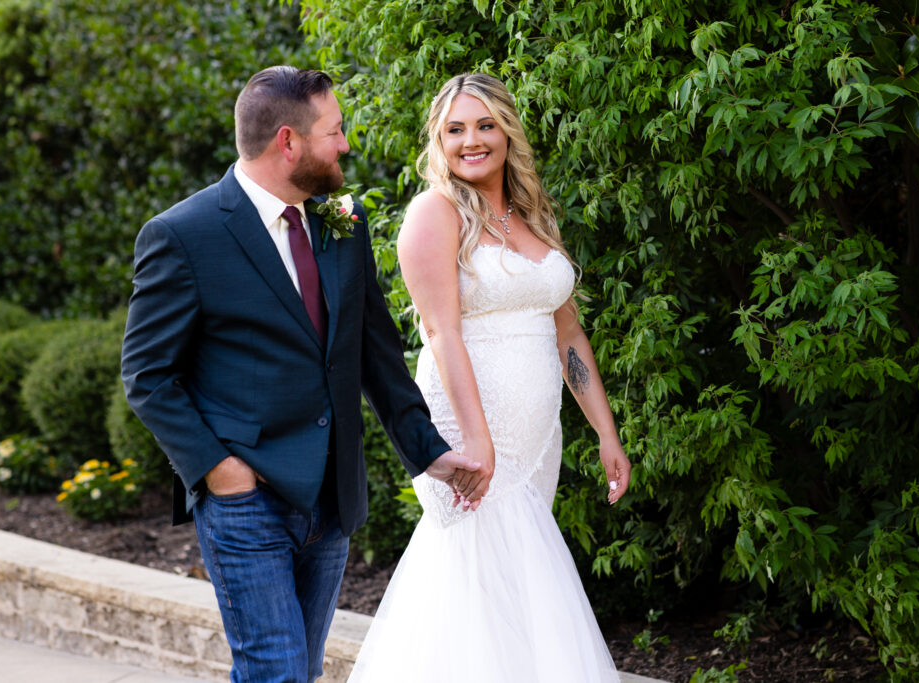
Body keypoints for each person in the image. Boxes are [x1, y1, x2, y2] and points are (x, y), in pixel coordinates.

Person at [120, 66, 485, 683]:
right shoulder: (184, 235)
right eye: (334, 131)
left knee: (300, 672)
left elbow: (375, 354)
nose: (345, 144)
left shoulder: (341, 220)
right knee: (276, 673)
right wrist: (219, 470)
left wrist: (430, 453)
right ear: (287, 142)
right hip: (246, 502)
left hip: (331, 499)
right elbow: (148, 374)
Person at [348, 73, 632, 682]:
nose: (471, 140)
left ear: (507, 132)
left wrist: (607, 434)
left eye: (484, 125)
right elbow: (442, 333)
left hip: (534, 441)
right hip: (468, 427)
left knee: (516, 586)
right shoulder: (435, 212)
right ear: (439, 140)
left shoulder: (532, 215)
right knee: (474, 579)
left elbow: (570, 336)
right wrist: (477, 442)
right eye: (455, 129)